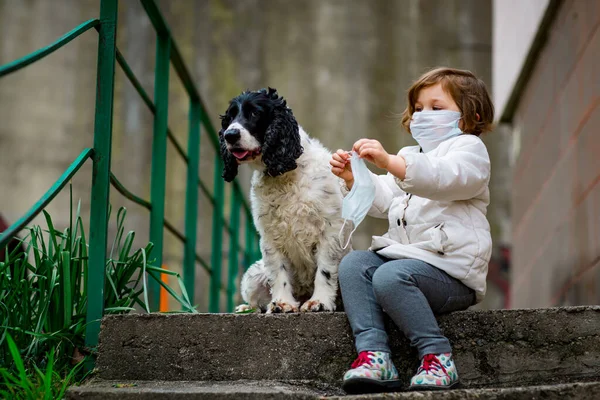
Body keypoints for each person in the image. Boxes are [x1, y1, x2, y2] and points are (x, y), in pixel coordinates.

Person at [330, 67, 494, 393]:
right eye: (419, 108)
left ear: (470, 116)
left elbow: (442, 177)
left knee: (389, 277)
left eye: (436, 107)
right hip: (408, 264)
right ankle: (375, 355)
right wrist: (353, 179)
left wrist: (391, 162)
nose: (423, 115)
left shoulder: (470, 151)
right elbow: (386, 199)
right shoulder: (410, 157)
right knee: (354, 265)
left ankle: (437, 357)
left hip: (453, 272)